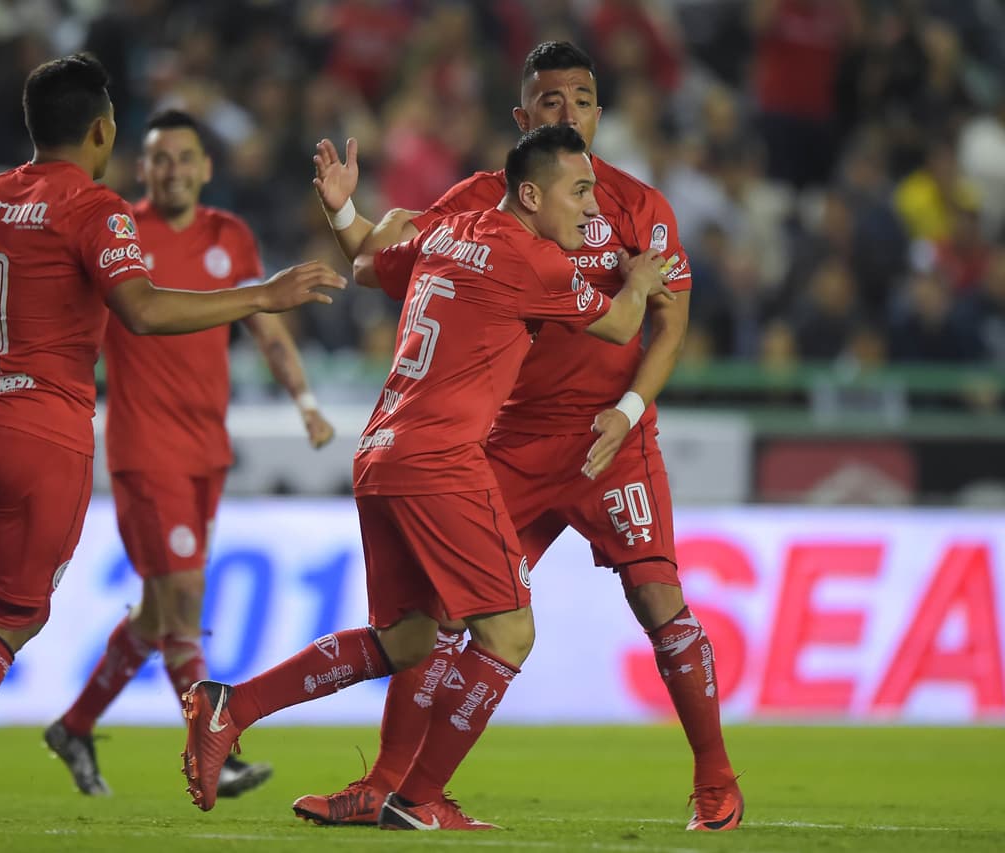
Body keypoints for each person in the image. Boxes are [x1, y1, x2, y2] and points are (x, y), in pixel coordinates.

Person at [0, 53, 343, 833]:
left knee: (0, 604)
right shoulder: (97, 208)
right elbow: (142, 310)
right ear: (102, 131)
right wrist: (262, 295)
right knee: (11, 619)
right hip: (42, 433)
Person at [299, 41, 743, 832]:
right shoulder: (481, 201)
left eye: (582, 99)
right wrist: (343, 213)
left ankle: (716, 782)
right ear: (522, 116)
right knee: (438, 613)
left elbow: (670, 324)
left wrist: (629, 410)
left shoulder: (640, 206)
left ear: (600, 112)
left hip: (612, 439)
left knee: (659, 601)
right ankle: (389, 785)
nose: (568, 112)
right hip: (508, 441)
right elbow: (380, 262)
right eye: (550, 100)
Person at [180, 124, 674, 830]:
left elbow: (365, 263)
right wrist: (640, 281)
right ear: (532, 196)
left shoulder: (449, 232)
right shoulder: (533, 260)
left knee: (410, 639)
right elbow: (623, 327)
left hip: (382, 453)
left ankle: (232, 706)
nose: (593, 207)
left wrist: (341, 210)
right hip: (442, 459)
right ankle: (417, 801)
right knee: (509, 633)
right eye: (580, 190)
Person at [44, 109, 335, 798]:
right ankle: (213, 745)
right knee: (183, 596)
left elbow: (266, 327)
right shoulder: (117, 231)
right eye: (160, 158)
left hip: (208, 448)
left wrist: (305, 399)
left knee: (156, 613)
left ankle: (74, 726)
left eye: (184, 157)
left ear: (206, 168)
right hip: (146, 447)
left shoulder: (230, 235)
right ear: (141, 168)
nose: (172, 169)